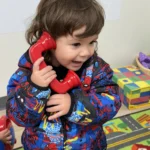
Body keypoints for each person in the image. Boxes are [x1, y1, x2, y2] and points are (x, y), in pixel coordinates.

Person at [6, 0, 121, 149]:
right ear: (48, 41)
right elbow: (19, 118)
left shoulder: (97, 69)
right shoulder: (26, 72)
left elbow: (113, 102)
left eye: (92, 42)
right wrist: (34, 88)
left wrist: (75, 105)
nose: (87, 52)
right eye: (76, 44)